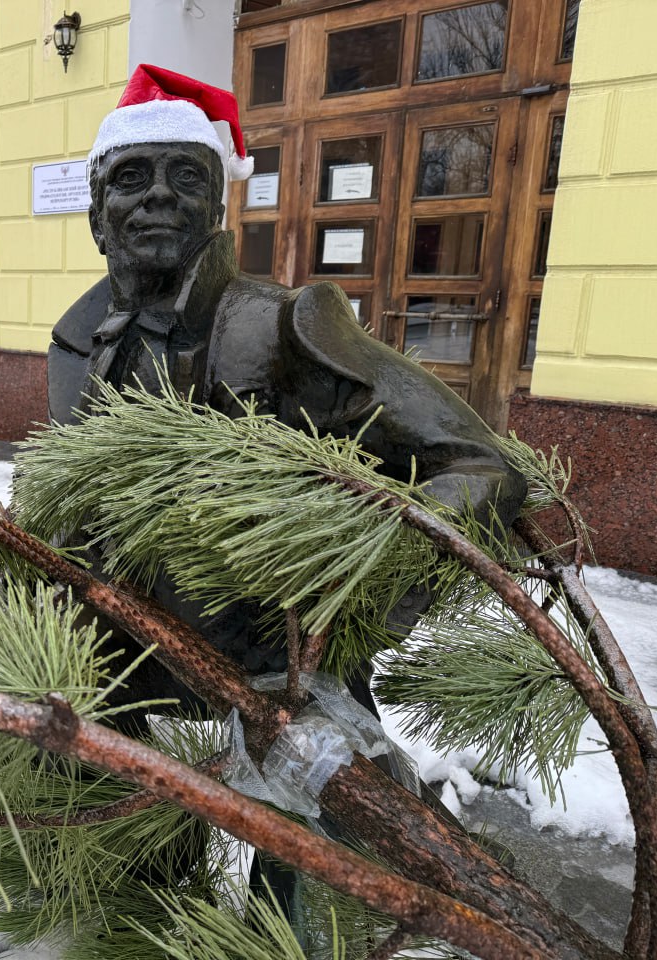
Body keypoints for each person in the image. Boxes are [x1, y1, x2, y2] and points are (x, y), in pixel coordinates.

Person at [47, 62, 526, 909]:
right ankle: (146, 893)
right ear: (96, 216)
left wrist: (351, 582)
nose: (156, 197)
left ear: (218, 206)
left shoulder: (283, 319)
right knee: (75, 766)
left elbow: (478, 465)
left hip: (283, 653)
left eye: (184, 177)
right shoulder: (75, 338)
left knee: (316, 886)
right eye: (131, 178)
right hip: (124, 646)